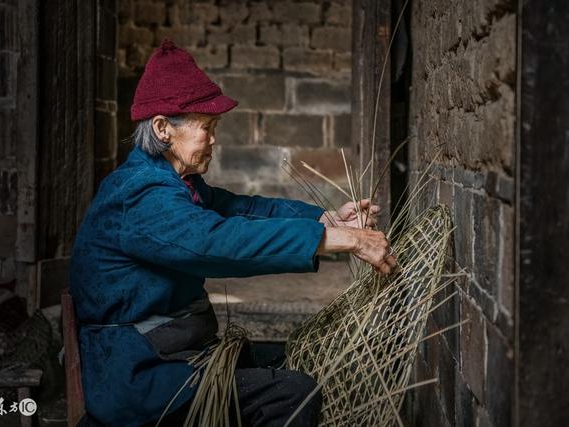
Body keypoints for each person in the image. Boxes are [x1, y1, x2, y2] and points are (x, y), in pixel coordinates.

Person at [70, 40, 396, 427]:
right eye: (205, 128)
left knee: (273, 361)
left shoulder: (175, 183)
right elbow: (214, 242)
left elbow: (244, 210)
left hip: (170, 356)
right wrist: (341, 242)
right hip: (139, 377)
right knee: (293, 394)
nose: (213, 139)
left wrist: (325, 220)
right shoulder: (141, 194)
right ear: (162, 128)